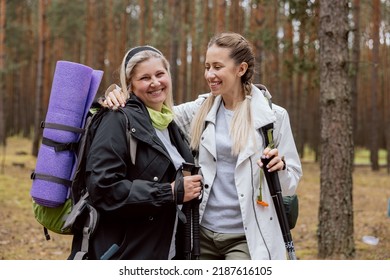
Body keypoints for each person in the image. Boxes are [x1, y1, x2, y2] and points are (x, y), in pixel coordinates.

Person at [104, 32, 302, 260]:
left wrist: (281, 168)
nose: (210, 74)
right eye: (207, 67)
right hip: (200, 234)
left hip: (246, 237)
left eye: (218, 67)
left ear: (241, 69)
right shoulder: (199, 110)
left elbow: (290, 184)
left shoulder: (273, 117)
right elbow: (153, 112)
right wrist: (117, 94)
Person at [68, 45, 203, 260]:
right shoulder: (116, 119)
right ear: (130, 84)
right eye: (144, 78)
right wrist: (168, 192)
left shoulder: (170, 125)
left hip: (166, 250)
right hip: (125, 252)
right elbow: (103, 187)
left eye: (160, 74)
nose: (155, 83)